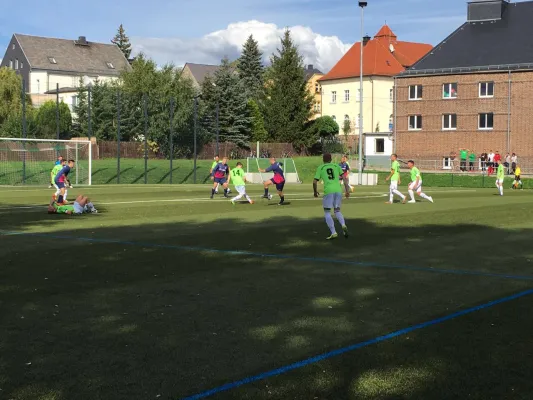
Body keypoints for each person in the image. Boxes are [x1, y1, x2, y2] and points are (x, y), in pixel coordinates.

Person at [313, 153, 348, 240]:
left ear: (323, 160)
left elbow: (314, 181)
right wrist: (347, 190)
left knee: (327, 212)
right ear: (331, 159)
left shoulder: (321, 167)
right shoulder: (336, 166)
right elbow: (344, 178)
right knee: (337, 210)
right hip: (338, 190)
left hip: (328, 191)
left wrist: (315, 191)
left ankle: (333, 232)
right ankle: (343, 225)